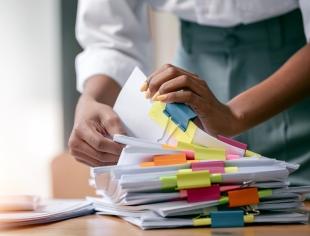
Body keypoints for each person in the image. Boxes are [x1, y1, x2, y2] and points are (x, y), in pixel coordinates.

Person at [68, 0, 310, 188]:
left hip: (293, 86)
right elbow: (110, 42)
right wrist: (90, 100)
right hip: (187, 92)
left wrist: (235, 114)